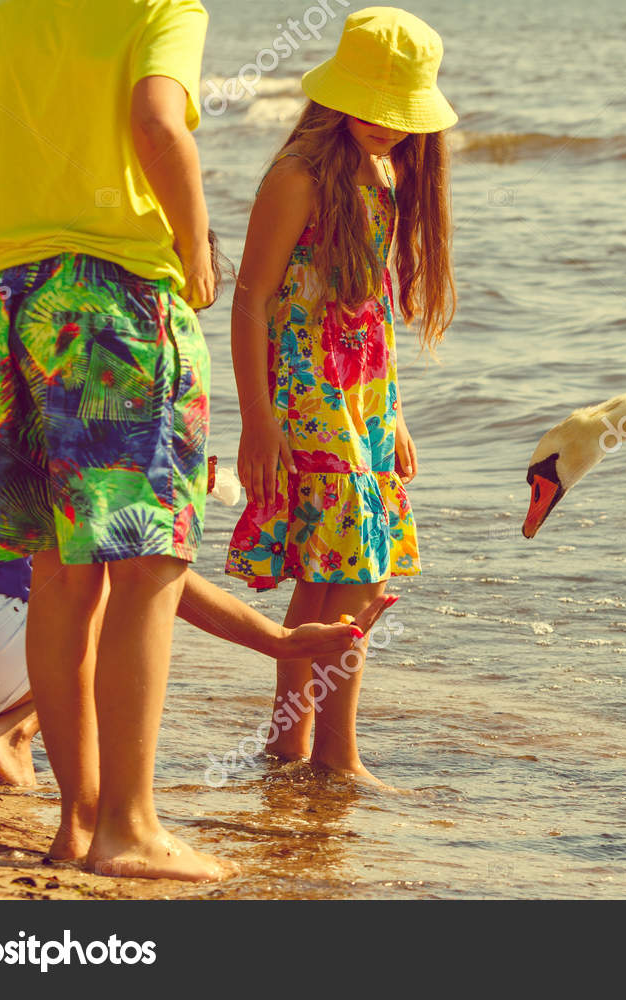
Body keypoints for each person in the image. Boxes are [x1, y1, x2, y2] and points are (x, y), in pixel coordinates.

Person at [0, 0, 228, 880]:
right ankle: (131, 828)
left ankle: (78, 825)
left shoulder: (1, 20)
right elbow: (159, 122)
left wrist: (33, 199)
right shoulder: (162, 9)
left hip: (19, 307)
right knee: (147, 565)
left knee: (60, 569)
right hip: (119, 304)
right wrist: (193, 245)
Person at [0, 312, 377, 788]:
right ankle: (8, 733)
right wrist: (277, 640)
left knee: (61, 558)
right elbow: (133, 559)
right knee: (104, 584)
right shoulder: (102, 347)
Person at [224, 8, 456, 782]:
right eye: (375, 107)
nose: (390, 126)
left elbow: (368, 315)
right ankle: (335, 752)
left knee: (329, 574)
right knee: (359, 571)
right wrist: (257, 421)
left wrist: (398, 415)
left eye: (403, 113)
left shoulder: (386, 175)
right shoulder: (298, 177)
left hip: (364, 403)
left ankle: (290, 743)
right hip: (304, 394)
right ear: (336, 95)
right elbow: (252, 298)